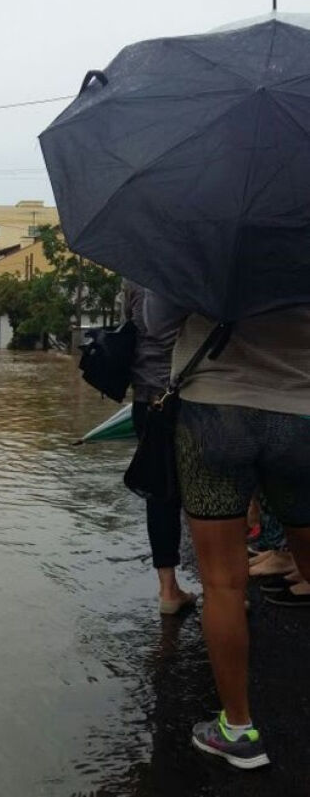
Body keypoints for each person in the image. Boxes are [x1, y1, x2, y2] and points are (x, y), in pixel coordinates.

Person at [144, 296, 310, 770]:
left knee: (222, 582)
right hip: (300, 412)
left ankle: (238, 730)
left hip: (214, 413)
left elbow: (157, 323)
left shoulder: (203, 234)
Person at [123, 281, 196, 614]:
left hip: (147, 398)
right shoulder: (198, 267)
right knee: (211, 489)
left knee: (160, 492)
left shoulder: (134, 273)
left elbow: (134, 324)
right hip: (195, 395)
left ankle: (168, 590)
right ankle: (227, 590)